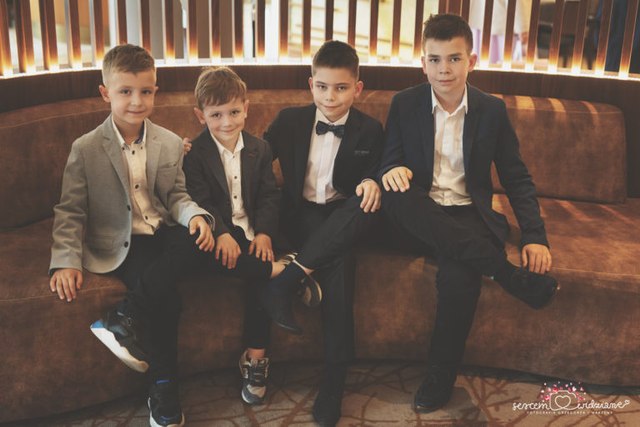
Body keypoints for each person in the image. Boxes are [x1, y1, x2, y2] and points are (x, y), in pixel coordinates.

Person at [49, 45, 275, 427]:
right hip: (124, 243)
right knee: (165, 295)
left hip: (165, 231)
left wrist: (197, 218)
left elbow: (177, 197)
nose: (136, 101)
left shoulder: (169, 142)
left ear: (156, 91)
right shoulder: (85, 149)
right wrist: (65, 259)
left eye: (145, 91)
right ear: (105, 93)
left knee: (200, 237)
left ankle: (124, 315)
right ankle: (164, 387)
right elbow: (70, 211)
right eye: (125, 91)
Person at [379, 14, 558, 414]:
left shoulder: (491, 110)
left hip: (465, 214)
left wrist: (535, 236)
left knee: (460, 277)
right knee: (397, 195)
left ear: (471, 61)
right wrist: (391, 169)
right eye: (435, 59)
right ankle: (507, 275)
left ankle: (440, 375)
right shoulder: (404, 103)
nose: (444, 69)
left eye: (454, 59)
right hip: (418, 211)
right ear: (423, 63)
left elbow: (516, 178)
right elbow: (388, 161)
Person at [261, 40, 384, 426]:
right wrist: (197, 148)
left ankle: (288, 284)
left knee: (356, 215)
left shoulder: (370, 130)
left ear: (357, 89)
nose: (331, 97)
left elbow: (379, 172)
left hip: (342, 215)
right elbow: (254, 159)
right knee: (338, 258)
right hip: (298, 216)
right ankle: (335, 376)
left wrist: (373, 181)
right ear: (310, 84)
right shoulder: (289, 120)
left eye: (341, 88)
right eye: (323, 87)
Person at [182, 66, 295, 405]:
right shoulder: (194, 154)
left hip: (251, 232)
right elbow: (198, 198)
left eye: (233, 112)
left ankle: (256, 359)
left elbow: (269, 195)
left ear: (246, 109)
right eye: (216, 115)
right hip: (220, 233)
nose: (227, 122)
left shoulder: (260, 149)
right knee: (252, 269)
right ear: (200, 116)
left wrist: (264, 234)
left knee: (256, 274)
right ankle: (285, 272)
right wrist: (220, 232)